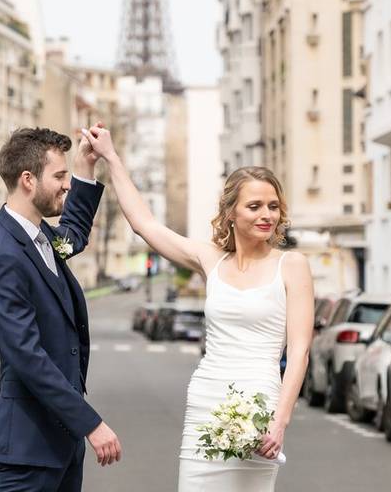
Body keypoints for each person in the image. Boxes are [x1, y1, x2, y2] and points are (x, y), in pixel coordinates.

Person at [81, 125, 314, 491]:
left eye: (273, 206)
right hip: (207, 399)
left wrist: (280, 420)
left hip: (259, 407)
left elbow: (299, 351)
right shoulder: (211, 260)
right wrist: (111, 158)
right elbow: (145, 224)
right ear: (231, 213)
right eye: (254, 206)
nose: (266, 215)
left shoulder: (292, 265)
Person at [0, 126, 122, 492]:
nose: (66, 185)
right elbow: (27, 357)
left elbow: (74, 233)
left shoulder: (41, 237)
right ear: (28, 180)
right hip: (29, 449)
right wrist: (89, 423)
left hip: (61, 443)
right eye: (59, 176)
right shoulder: (3, 257)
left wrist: (86, 166)